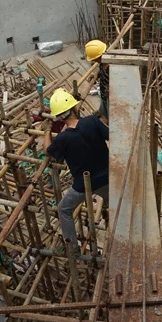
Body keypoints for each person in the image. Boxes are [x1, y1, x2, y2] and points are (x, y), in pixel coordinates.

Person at [43, 88, 109, 251]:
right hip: (107, 177)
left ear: (59, 117)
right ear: (74, 108)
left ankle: (71, 247)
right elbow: (110, 135)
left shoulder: (63, 138)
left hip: (83, 185)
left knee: (64, 209)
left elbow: (48, 151)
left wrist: (46, 130)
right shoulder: (92, 122)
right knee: (116, 205)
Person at [85, 39, 109, 120]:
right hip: (104, 95)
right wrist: (96, 76)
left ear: (99, 56)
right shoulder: (102, 62)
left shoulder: (111, 67)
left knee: (111, 117)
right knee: (104, 111)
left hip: (110, 98)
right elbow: (101, 70)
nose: (93, 61)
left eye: (94, 59)